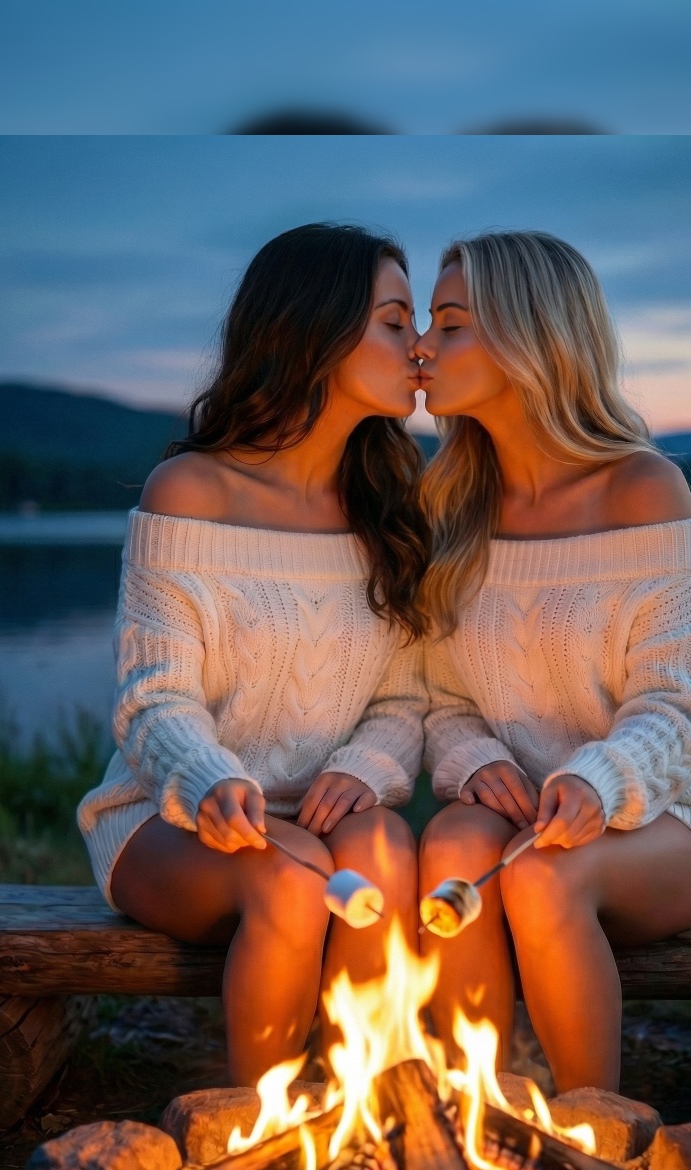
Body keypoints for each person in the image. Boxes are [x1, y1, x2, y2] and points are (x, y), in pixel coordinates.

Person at [78, 223, 430, 1086]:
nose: (419, 345)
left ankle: (364, 1121)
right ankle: (257, 1128)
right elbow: (153, 698)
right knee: (292, 881)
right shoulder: (194, 489)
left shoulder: (390, 502)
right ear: (316, 327)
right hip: (172, 818)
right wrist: (208, 780)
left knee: (383, 852)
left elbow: (407, 696)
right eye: (394, 320)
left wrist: (364, 764)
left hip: (319, 818)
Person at [414, 231, 691, 1093]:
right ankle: (471, 1124)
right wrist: (476, 760)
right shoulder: (450, 504)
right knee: (452, 845)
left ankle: (595, 1135)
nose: (423, 345)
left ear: (527, 336)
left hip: (666, 816)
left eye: (449, 324)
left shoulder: (639, 488)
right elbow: (441, 696)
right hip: (522, 815)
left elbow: (678, 707)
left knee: (538, 873)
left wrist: (602, 779)